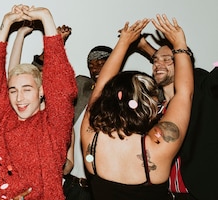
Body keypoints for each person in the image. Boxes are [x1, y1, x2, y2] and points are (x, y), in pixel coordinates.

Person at [80, 15, 193, 199]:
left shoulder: (91, 136)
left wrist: (123, 42)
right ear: (147, 105)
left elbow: (100, 88)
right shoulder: (157, 148)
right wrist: (180, 42)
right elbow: (184, 94)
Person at [0, 4, 76, 199]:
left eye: (27, 89)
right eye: (13, 90)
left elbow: (62, 88)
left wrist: (46, 18)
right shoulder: (3, 120)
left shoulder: (53, 126)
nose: (19, 98)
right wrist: (6, 23)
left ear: (41, 91)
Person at [137, 27, 218, 200]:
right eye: (155, 60)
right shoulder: (155, 109)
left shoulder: (201, 92)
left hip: (200, 193)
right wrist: (145, 46)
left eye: (168, 60)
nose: (158, 64)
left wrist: (178, 48)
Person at [63, 45, 112, 200]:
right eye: (91, 65)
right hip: (74, 186)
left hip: (105, 189)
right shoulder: (82, 88)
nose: (95, 69)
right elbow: (49, 84)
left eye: (100, 63)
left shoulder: (122, 99)